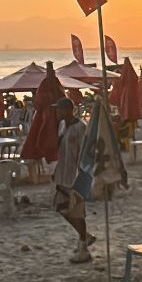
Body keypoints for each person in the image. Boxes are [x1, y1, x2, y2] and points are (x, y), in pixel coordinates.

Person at [51, 98, 93, 263]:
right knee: (61, 207)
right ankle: (85, 237)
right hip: (63, 173)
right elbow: (62, 151)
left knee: (76, 211)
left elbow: (85, 153)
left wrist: (83, 176)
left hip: (76, 175)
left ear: (68, 110)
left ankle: (83, 245)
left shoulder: (80, 128)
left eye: (59, 110)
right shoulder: (63, 126)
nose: (57, 113)